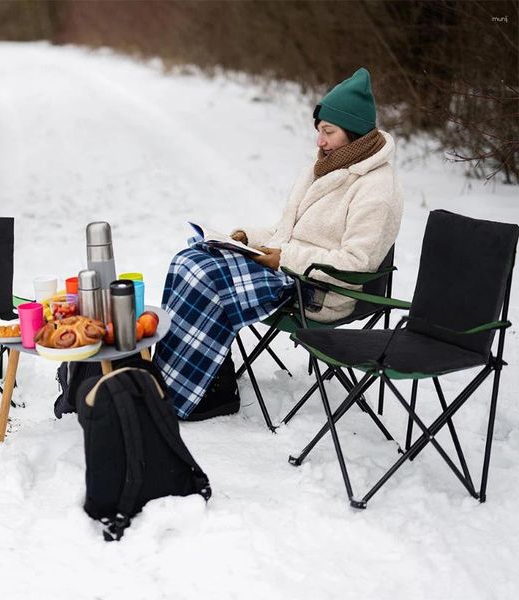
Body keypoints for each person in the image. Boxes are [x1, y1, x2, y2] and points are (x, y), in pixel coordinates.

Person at [154, 67, 403, 421]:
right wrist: (245, 238)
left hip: (321, 289)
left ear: (356, 132)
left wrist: (285, 257)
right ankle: (173, 375)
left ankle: (196, 392)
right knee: (191, 259)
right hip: (288, 269)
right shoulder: (325, 167)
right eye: (319, 131)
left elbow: (358, 262)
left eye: (328, 131)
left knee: (207, 278)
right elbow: (286, 231)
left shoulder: (377, 188)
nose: (320, 141)